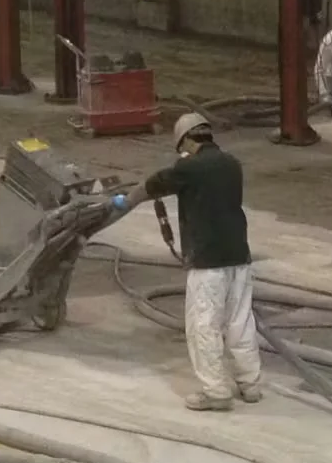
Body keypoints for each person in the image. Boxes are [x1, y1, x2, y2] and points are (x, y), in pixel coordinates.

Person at [110, 113, 262, 412]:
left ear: (188, 140)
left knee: (203, 326)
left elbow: (153, 185)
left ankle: (216, 392)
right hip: (239, 257)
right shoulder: (231, 163)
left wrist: (124, 202)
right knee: (240, 322)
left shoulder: (189, 167)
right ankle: (250, 384)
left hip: (208, 262)